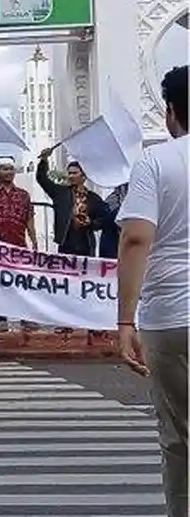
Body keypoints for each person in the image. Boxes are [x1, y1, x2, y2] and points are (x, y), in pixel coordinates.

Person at [116, 65, 188, 517]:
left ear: (171, 112)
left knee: (179, 432)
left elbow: (136, 237)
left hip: (172, 317)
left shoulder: (157, 162)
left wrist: (125, 320)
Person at [35, 151, 106, 256]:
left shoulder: (93, 198)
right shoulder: (60, 193)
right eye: (69, 173)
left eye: (75, 173)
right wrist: (44, 160)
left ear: (84, 176)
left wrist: (90, 223)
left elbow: (103, 219)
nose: (71, 176)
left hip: (86, 244)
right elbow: (42, 179)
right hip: (66, 243)